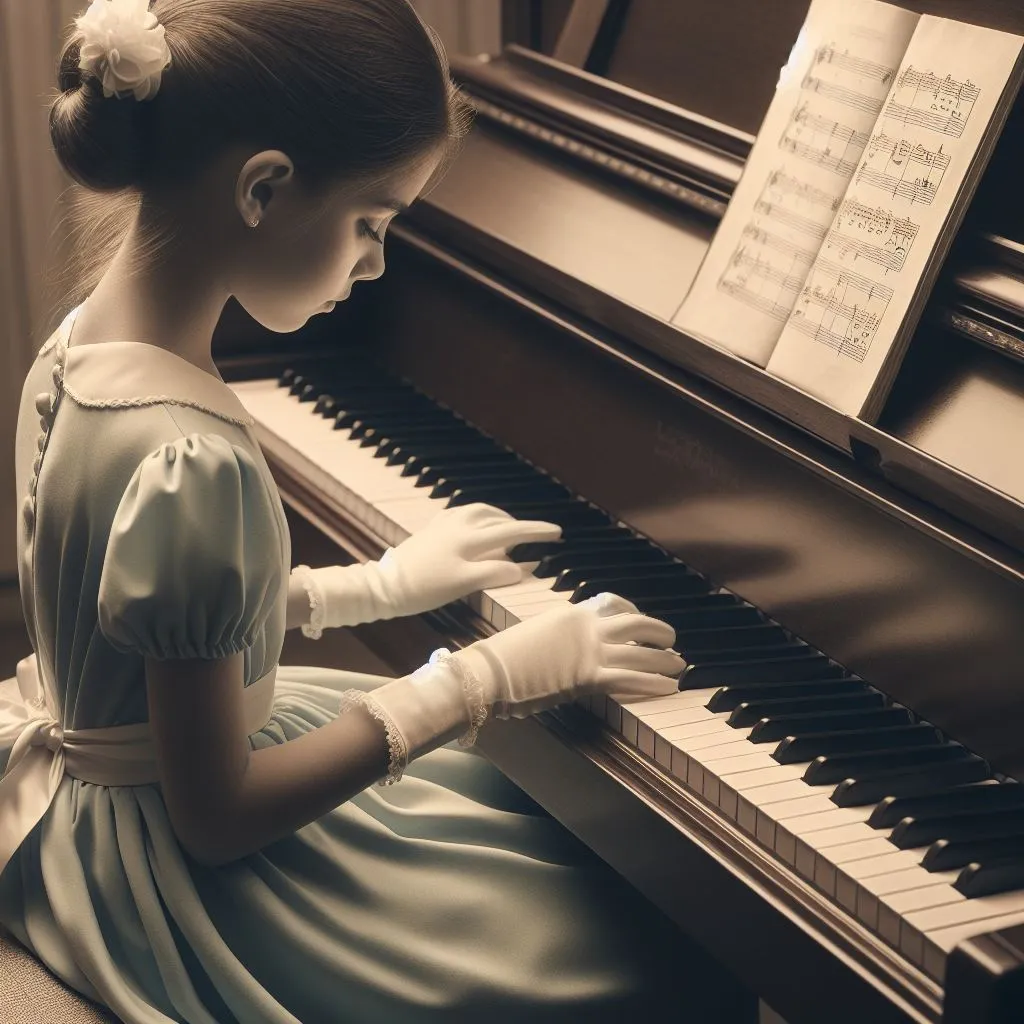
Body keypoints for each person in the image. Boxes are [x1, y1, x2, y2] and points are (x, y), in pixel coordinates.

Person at [0, 2, 752, 1021]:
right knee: (655, 962)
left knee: (525, 831)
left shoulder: (75, 346)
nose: (376, 266)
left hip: (97, 791)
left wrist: (379, 587)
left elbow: (151, 621)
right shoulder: (187, 451)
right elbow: (219, 816)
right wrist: (475, 678)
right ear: (263, 190)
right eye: (372, 225)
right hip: (172, 869)